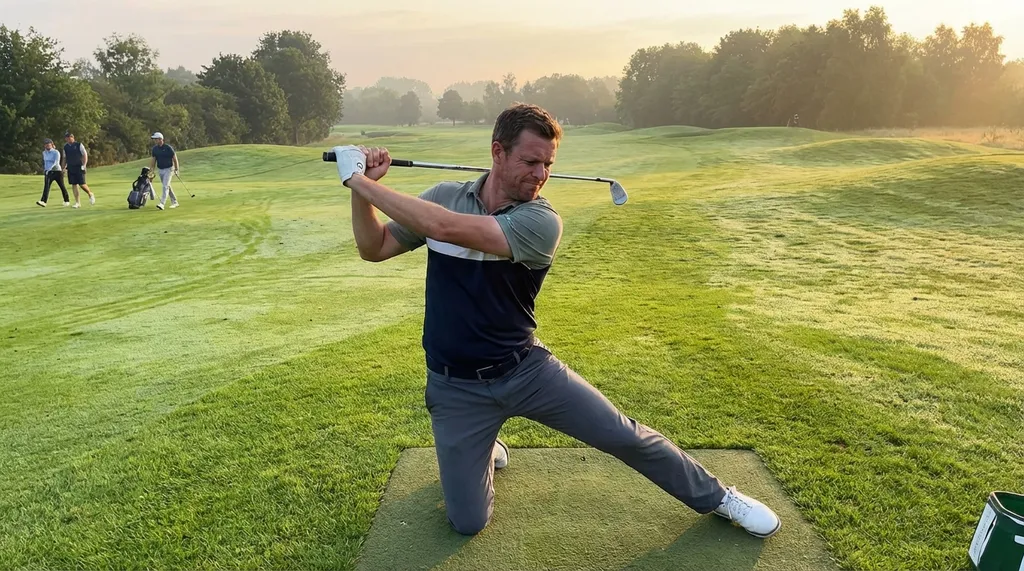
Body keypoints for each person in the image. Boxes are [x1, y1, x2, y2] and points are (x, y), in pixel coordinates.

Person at [329, 103, 782, 539]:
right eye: (530, 161)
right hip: (455, 387)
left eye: (547, 163)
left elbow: (447, 229)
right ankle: (485, 443)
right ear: (497, 151)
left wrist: (358, 180)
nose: (540, 175)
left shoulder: (541, 220)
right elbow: (375, 248)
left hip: (525, 371)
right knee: (467, 522)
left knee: (622, 435)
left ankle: (720, 497)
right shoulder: (445, 196)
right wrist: (360, 189)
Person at [62, 131, 95, 208]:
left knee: (82, 184)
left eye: (70, 137)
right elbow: (64, 158)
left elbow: (84, 155)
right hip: (70, 167)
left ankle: (90, 193)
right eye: (67, 137)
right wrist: (63, 168)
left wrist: (84, 165)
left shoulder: (79, 145)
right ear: (66, 139)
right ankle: (78, 202)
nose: (69, 139)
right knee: (74, 184)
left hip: (79, 166)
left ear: (73, 137)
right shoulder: (65, 147)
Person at [148, 132, 179, 210]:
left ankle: (162, 203)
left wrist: (176, 169)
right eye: (154, 139)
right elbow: (153, 160)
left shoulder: (168, 148)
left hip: (169, 169)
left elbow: (175, 159)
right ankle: (175, 201)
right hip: (161, 170)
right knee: (167, 186)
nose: (155, 140)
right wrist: (151, 171)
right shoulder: (155, 149)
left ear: (160, 139)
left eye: (156, 139)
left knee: (165, 186)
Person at [37, 138, 70, 208]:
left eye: (48, 144)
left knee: (62, 186)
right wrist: (46, 170)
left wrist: (49, 169)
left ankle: (66, 200)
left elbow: (56, 162)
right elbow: (45, 162)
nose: (47, 145)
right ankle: (43, 201)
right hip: (48, 172)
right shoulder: (44, 153)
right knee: (46, 186)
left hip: (57, 171)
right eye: (46, 144)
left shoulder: (56, 152)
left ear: (52, 144)